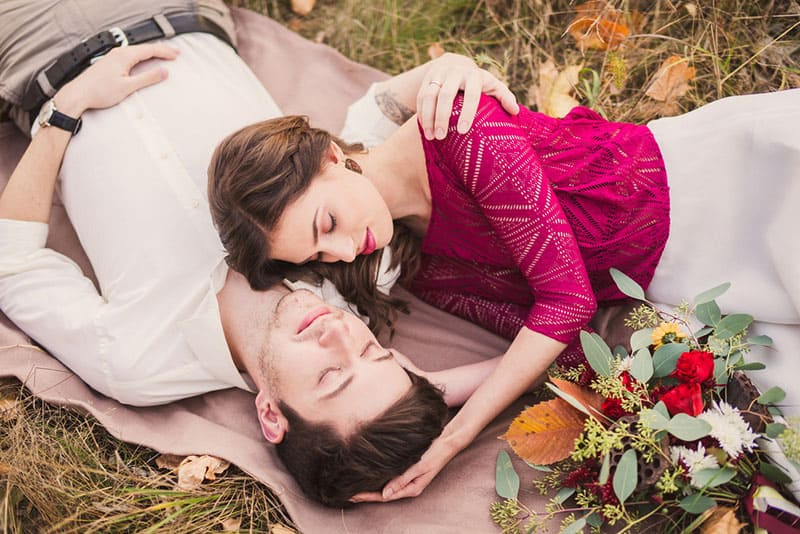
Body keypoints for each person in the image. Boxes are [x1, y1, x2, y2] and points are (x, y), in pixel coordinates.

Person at [0, 1, 516, 506]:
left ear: (271, 415)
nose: (335, 333)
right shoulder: (352, 264)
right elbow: (367, 132)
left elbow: (13, 264)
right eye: (369, 352)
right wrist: (451, 70)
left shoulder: (141, 360)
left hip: (43, 44)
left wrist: (67, 111)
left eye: (329, 375)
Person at [208, 84, 800, 502]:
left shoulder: (458, 128)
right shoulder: (423, 269)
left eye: (326, 225)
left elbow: (567, 303)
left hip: (724, 194)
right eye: (317, 257)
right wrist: (428, 391)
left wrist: (457, 435)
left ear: (333, 157)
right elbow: (566, 349)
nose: (341, 254)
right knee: (771, 444)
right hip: (680, 284)